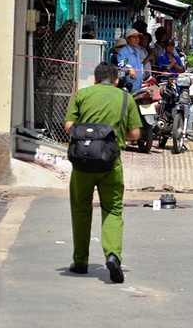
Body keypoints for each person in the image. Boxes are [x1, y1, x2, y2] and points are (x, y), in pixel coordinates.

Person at [64, 62, 142, 283]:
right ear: (116, 80)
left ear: (95, 80)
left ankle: (80, 261)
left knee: (80, 209)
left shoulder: (83, 94)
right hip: (111, 163)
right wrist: (113, 134)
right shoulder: (126, 98)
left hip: (82, 163)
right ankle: (112, 255)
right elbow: (135, 133)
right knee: (113, 210)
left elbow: (69, 126)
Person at [117, 28, 147, 93]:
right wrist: (130, 68)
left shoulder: (137, 52)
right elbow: (122, 62)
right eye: (134, 37)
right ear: (128, 39)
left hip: (137, 88)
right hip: (128, 90)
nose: (137, 39)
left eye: (138, 37)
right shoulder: (124, 52)